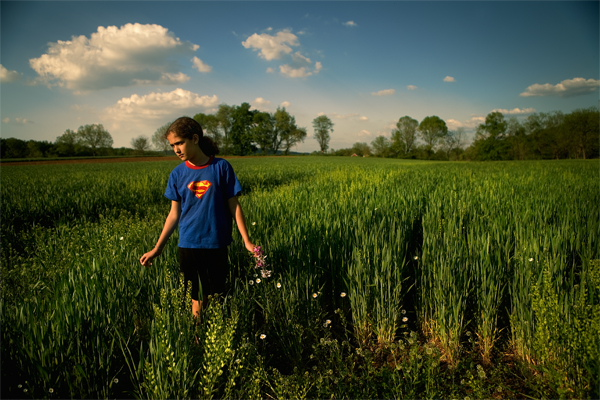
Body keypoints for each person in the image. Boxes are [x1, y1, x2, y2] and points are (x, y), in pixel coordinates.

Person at [140, 117, 255, 317]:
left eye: (179, 143)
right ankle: (197, 337)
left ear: (194, 139)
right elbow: (173, 215)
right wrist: (157, 248)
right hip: (189, 243)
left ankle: (215, 334)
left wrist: (247, 241)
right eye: (172, 145)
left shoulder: (221, 168)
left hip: (216, 242)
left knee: (217, 294)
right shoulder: (177, 174)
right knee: (196, 296)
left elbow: (234, 206)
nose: (176, 149)